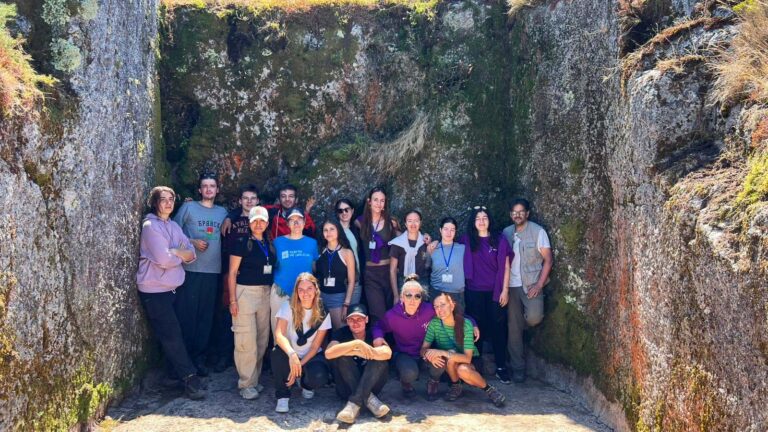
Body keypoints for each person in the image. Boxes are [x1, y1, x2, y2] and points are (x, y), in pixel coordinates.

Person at [136, 186, 204, 400]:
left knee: (182, 331)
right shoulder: (150, 227)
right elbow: (164, 260)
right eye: (163, 199)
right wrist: (177, 254)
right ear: (155, 203)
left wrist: (175, 251)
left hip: (175, 288)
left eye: (171, 199)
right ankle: (190, 378)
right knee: (171, 335)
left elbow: (192, 254)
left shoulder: (173, 226)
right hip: (155, 290)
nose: (168, 203)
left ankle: (172, 375)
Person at [373, 276, 478, 397]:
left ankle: (434, 380)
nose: (413, 300)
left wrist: (472, 323)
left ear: (421, 299)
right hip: (404, 353)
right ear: (402, 297)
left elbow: (451, 314)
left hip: (425, 351)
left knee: (440, 360)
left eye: (417, 296)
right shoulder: (393, 315)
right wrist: (378, 337)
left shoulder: (428, 310)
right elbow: (378, 326)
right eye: (408, 295)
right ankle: (405, 382)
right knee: (409, 373)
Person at [173, 173, 228, 376]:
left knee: (206, 318)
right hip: (190, 270)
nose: (208, 189)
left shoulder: (223, 212)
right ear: (199, 190)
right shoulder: (189, 207)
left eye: (212, 186)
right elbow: (172, 231)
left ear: (217, 190)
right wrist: (192, 242)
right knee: (187, 316)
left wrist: (229, 219)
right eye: (205, 186)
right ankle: (183, 361)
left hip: (212, 271)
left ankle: (199, 359)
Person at [420, 293, 505, 406]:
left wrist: (442, 352)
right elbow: (423, 349)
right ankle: (455, 385)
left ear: (452, 306)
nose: (439, 309)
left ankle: (489, 389)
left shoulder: (465, 324)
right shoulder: (434, 323)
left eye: (443, 305)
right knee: (449, 357)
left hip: (469, 362)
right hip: (448, 366)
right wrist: (428, 355)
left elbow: (467, 358)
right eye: (436, 307)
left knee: (462, 369)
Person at [502, 198, 552, 383]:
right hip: (511, 286)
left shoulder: (538, 231)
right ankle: (518, 368)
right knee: (513, 329)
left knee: (534, 317)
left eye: (521, 211)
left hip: (531, 284)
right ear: (510, 214)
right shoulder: (506, 233)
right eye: (514, 212)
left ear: (527, 213)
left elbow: (548, 260)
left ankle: (520, 325)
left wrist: (539, 284)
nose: (518, 215)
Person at [461, 206, 513, 384]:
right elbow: (448, 242)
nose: (481, 221)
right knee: (476, 328)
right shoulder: (467, 240)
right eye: (478, 218)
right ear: (473, 222)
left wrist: (505, 290)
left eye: (484, 218)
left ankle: (501, 367)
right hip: (473, 291)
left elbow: (506, 266)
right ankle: (475, 366)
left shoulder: (499, 239)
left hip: (495, 291)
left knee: (498, 328)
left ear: (489, 220)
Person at [227, 206, 274, 400]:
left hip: (265, 293)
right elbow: (232, 273)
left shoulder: (269, 244)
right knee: (245, 340)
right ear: (249, 222)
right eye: (255, 220)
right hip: (245, 293)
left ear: (267, 223)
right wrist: (232, 300)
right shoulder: (241, 242)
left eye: (262, 220)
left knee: (262, 340)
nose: (259, 224)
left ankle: (254, 379)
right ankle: (246, 383)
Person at [214, 184, 261, 373]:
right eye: (245, 198)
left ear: (258, 201)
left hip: (253, 275)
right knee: (228, 313)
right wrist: (230, 216)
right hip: (231, 272)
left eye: (253, 198)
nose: (249, 202)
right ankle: (224, 355)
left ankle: (258, 360)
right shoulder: (232, 218)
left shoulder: (261, 220)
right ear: (240, 201)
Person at [270, 273, 331, 413]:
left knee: (319, 376)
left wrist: (298, 366)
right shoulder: (288, 306)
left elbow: (315, 347)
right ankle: (283, 395)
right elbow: (279, 334)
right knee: (276, 353)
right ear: (296, 292)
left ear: (316, 290)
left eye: (309, 288)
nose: (305, 293)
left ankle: (305, 384)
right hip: (291, 353)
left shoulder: (322, 311)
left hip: (310, 355)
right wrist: (292, 355)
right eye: (301, 290)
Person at [325, 304, 392, 424]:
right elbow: (328, 353)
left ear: (366, 319)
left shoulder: (373, 332)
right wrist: (357, 344)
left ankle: (354, 404)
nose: (355, 323)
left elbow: (387, 353)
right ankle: (368, 399)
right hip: (346, 388)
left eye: (359, 319)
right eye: (351, 319)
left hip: (372, 386)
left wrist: (369, 353)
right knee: (342, 357)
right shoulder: (341, 333)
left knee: (380, 360)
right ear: (347, 321)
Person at [355, 187, 400, 323]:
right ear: (369, 201)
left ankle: (391, 337)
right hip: (371, 273)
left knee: (392, 311)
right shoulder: (359, 222)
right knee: (377, 313)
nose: (379, 204)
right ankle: (378, 336)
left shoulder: (391, 222)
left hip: (389, 272)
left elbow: (405, 239)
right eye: (375, 200)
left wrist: (426, 238)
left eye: (382, 200)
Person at [271, 208, 319, 334]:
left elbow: (315, 267)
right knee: (279, 331)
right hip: (281, 291)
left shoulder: (312, 243)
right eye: (292, 220)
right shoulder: (277, 242)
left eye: (299, 220)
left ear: (304, 222)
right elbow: (269, 263)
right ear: (287, 224)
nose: (296, 223)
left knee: (300, 331)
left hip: (304, 294)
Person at [221, 183, 316, 239]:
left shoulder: (303, 217)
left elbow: (312, 236)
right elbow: (251, 208)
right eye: (283, 196)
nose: (287, 199)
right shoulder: (272, 211)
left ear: (296, 199)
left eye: (291, 196)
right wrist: (229, 217)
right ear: (279, 199)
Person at [315, 219, 356, 329]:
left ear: (338, 230)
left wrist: (346, 304)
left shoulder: (347, 253)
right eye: (325, 230)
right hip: (320, 299)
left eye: (332, 229)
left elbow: (351, 281)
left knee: (340, 333)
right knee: (323, 334)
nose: (328, 233)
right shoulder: (320, 251)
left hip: (338, 299)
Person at [389, 210, 431, 296]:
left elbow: (427, 265)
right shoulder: (398, 243)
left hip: (422, 283)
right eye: (410, 221)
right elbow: (392, 270)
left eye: (416, 221)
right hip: (403, 282)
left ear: (420, 223)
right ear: (405, 224)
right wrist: (396, 295)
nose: (413, 224)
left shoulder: (425, 242)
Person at [427, 217, 466, 308]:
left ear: (455, 231)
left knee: (458, 317)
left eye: (452, 230)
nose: (449, 233)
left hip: (457, 294)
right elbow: (427, 266)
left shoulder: (463, 248)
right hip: (437, 292)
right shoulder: (432, 248)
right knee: (436, 317)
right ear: (440, 230)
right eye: (446, 229)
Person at [334, 198, 364, 305]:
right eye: (340, 210)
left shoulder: (355, 229)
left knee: (353, 312)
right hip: (340, 281)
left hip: (356, 278)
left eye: (347, 209)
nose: (344, 213)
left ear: (352, 210)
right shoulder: (334, 231)